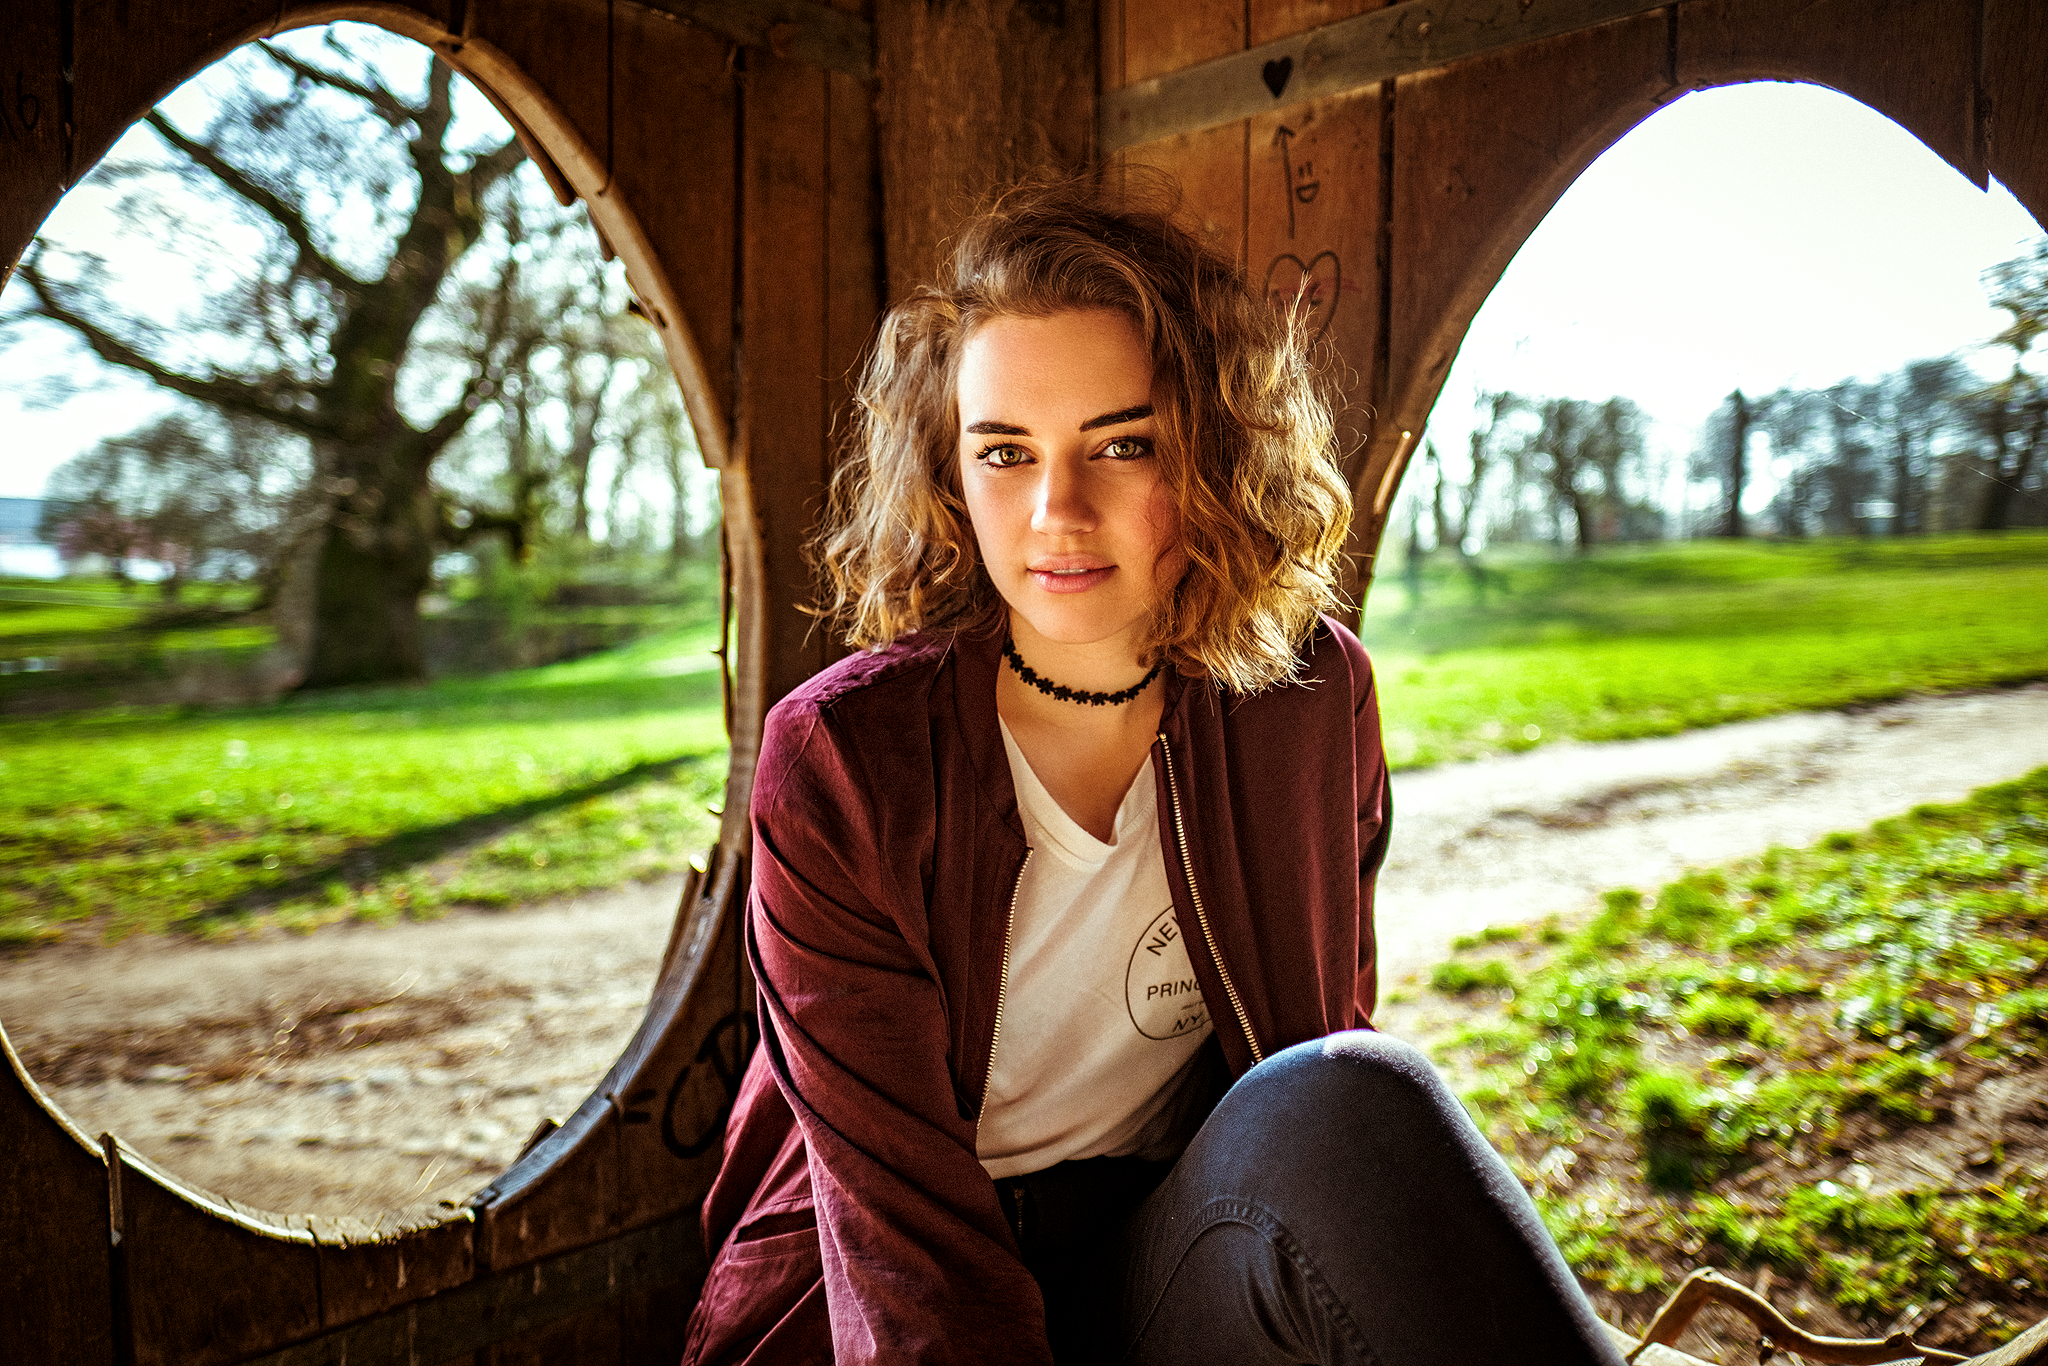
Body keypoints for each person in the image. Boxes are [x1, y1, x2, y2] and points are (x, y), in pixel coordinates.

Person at [680, 177, 1628, 1366]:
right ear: (948, 473)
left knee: (1352, 1092)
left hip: (1156, 1257)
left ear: (1214, 451)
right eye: (1004, 453)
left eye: (1121, 445)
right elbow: (903, 1258)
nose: (1055, 509)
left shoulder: (1308, 699)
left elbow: (1315, 1046)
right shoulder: (844, 759)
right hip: (873, 1304)